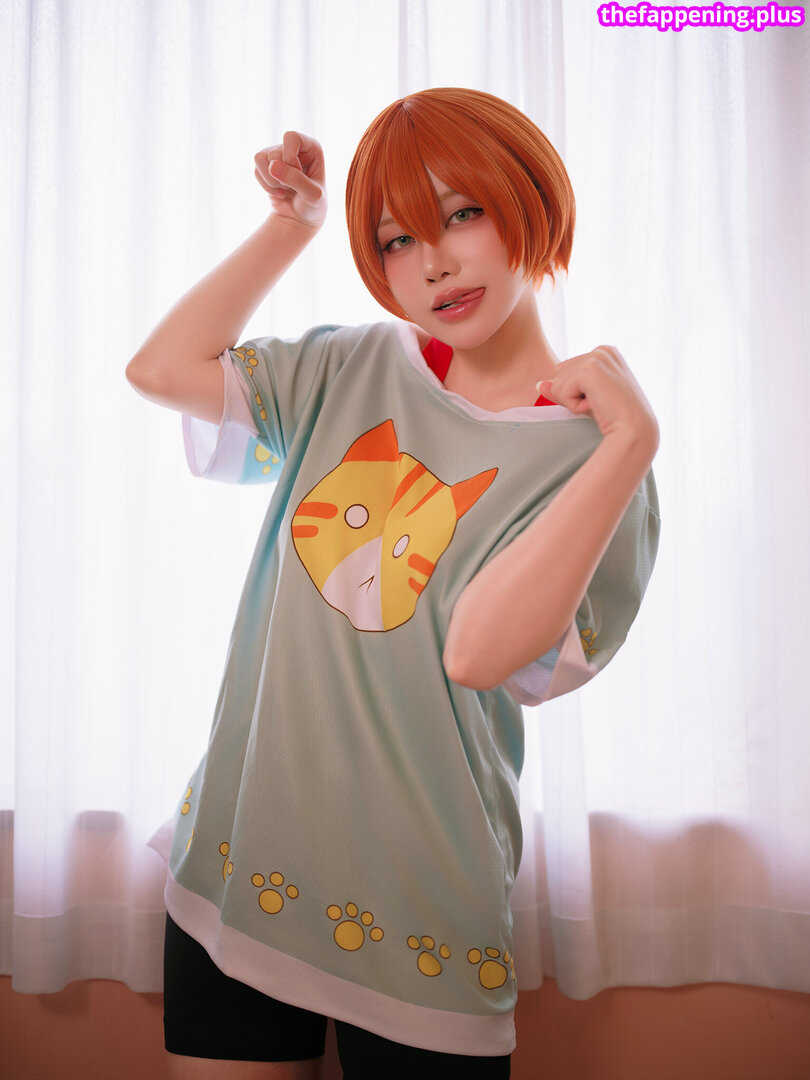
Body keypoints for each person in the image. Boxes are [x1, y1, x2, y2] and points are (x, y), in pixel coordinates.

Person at [127, 87, 660, 1080]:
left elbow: (478, 656)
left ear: (530, 201)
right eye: (397, 240)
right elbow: (159, 369)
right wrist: (292, 227)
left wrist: (630, 443)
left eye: (462, 214)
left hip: (424, 914)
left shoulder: (599, 460)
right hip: (240, 865)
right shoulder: (348, 366)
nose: (434, 263)